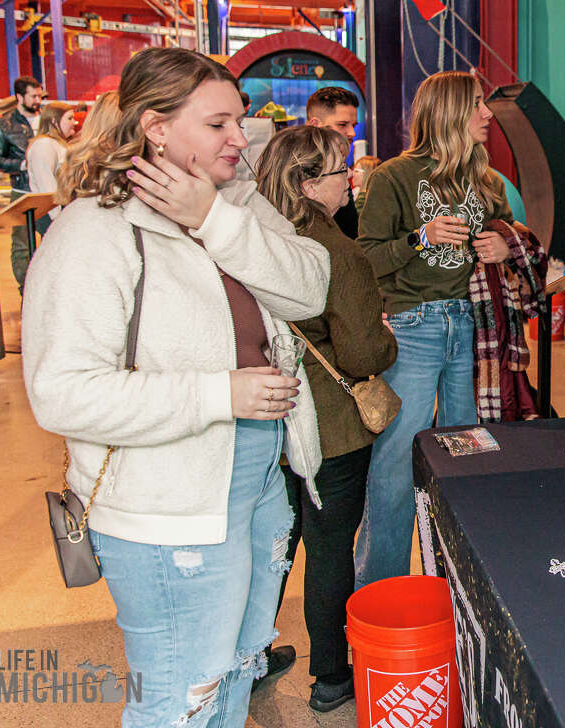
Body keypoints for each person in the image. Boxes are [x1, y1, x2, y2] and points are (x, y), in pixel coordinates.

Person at [22, 46, 330, 726]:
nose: (239, 138)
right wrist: (217, 394)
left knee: (233, 670)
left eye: (239, 120)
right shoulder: (93, 233)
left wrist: (212, 219)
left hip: (254, 478)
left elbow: (311, 287)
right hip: (164, 502)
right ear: (157, 129)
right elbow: (62, 392)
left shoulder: (236, 205)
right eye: (218, 123)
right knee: (180, 693)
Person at [257, 125, 398, 711]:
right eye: (344, 172)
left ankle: (253, 651)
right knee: (330, 548)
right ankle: (333, 677)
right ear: (310, 182)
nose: (353, 182)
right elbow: (362, 353)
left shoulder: (257, 236)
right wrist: (386, 340)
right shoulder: (337, 251)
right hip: (331, 429)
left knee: (271, 546)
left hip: (267, 422)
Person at [355, 70, 515, 586]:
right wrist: (419, 238)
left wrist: (502, 246)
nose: (487, 114)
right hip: (414, 327)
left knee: (465, 455)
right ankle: (383, 592)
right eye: (476, 105)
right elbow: (367, 260)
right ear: (448, 112)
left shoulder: (485, 179)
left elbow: (511, 235)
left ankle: (455, 584)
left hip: (468, 325)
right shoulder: (394, 177)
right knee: (397, 466)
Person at [0, 76, 45, 294]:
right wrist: (22, 164)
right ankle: (27, 290)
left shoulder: (47, 120)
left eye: (40, 95)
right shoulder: (4, 124)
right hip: (23, 191)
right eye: (34, 96)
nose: (38, 100)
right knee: (22, 245)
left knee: (53, 237)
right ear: (20, 97)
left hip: (48, 190)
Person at [306, 86, 361, 238]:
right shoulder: (298, 171)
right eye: (342, 125)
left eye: (353, 125)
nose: (352, 133)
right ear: (315, 125)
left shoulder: (338, 167)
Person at [25, 101, 78, 221]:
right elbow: (47, 186)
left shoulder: (57, 144)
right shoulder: (44, 145)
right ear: (54, 121)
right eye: (70, 118)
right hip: (51, 214)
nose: (74, 122)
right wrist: (58, 218)